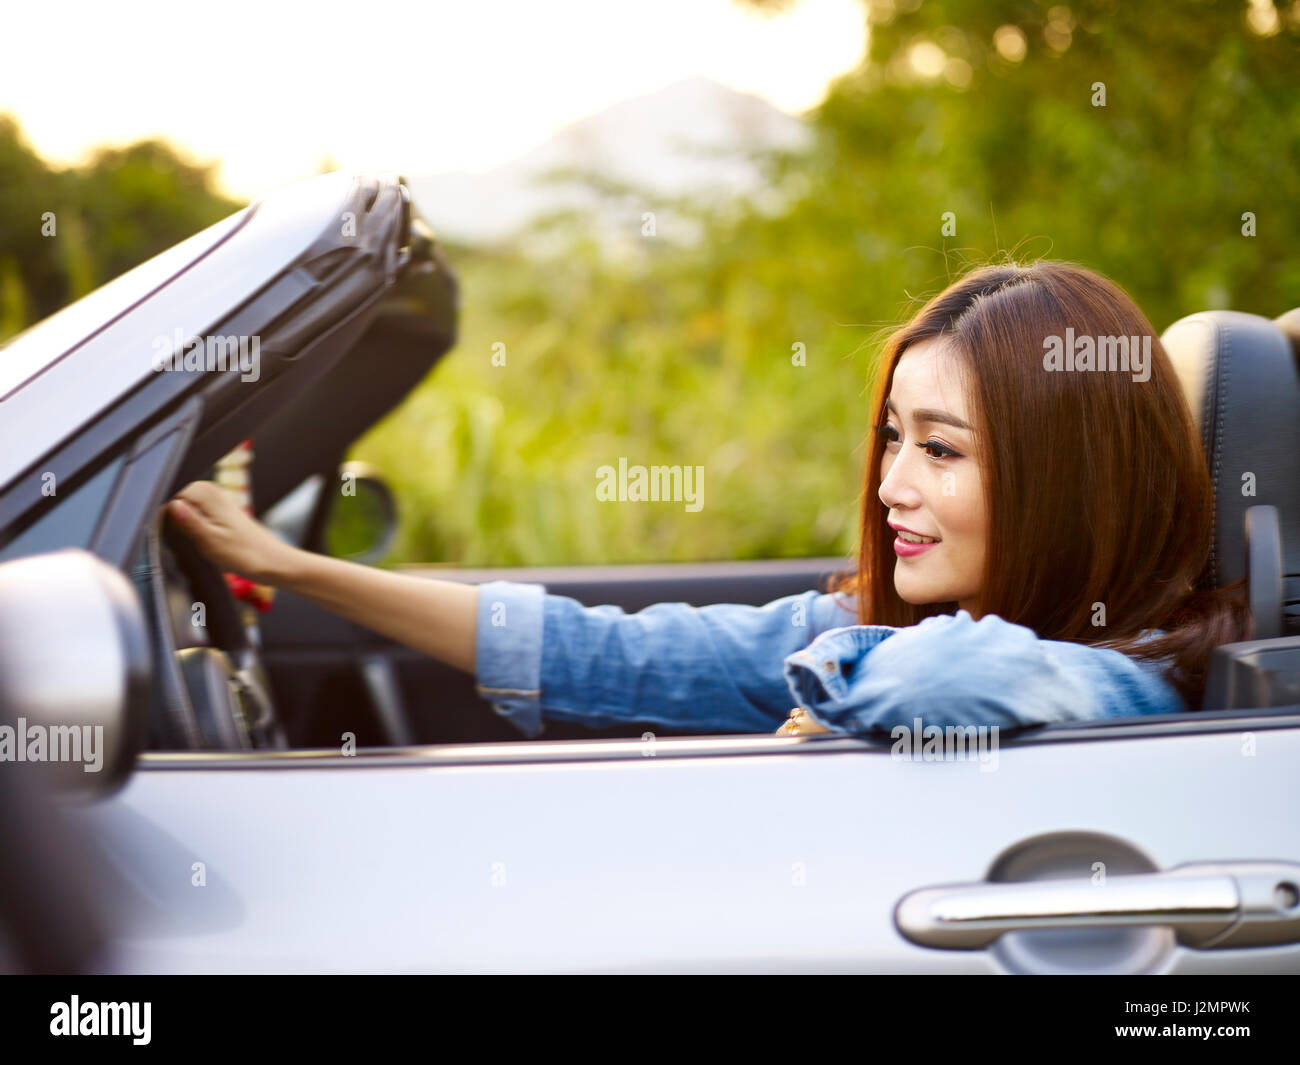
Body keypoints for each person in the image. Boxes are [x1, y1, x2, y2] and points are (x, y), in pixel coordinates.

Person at [166, 261, 1252, 740]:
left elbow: (949, 678)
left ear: (1068, 481)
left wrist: (817, 695)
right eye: (890, 440)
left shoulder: (1132, 683)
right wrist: (294, 569)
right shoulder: (872, 633)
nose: (889, 487)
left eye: (942, 452)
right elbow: (596, 651)